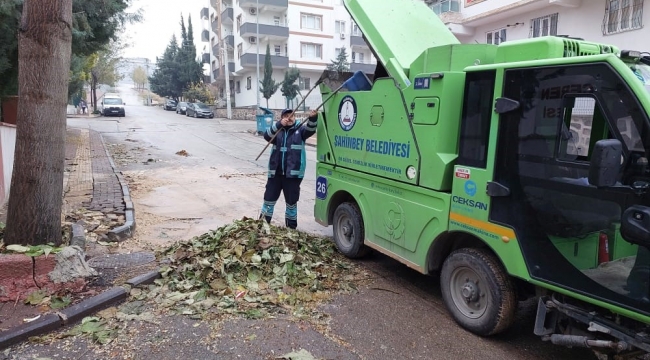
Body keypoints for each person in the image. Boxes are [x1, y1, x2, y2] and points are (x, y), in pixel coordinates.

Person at [260, 108, 319, 229]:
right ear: (282, 118)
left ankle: (291, 230)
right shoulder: (278, 131)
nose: (289, 117)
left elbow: (311, 129)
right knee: (268, 201)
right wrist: (278, 125)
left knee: (291, 203)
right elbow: (266, 136)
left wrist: (313, 118)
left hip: (293, 175)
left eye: (292, 115)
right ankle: (262, 227)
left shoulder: (300, 130)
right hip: (275, 173)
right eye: (286, 115)